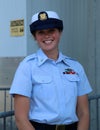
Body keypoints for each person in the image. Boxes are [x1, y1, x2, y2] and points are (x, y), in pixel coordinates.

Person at [10, 11, 92, 130]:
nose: (47, 36)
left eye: (51, 31)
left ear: (60, 33)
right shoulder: (27, 67)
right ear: (34, 36)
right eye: (41, 32)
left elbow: (84, 113)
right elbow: (20, 118)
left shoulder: (75, 66)